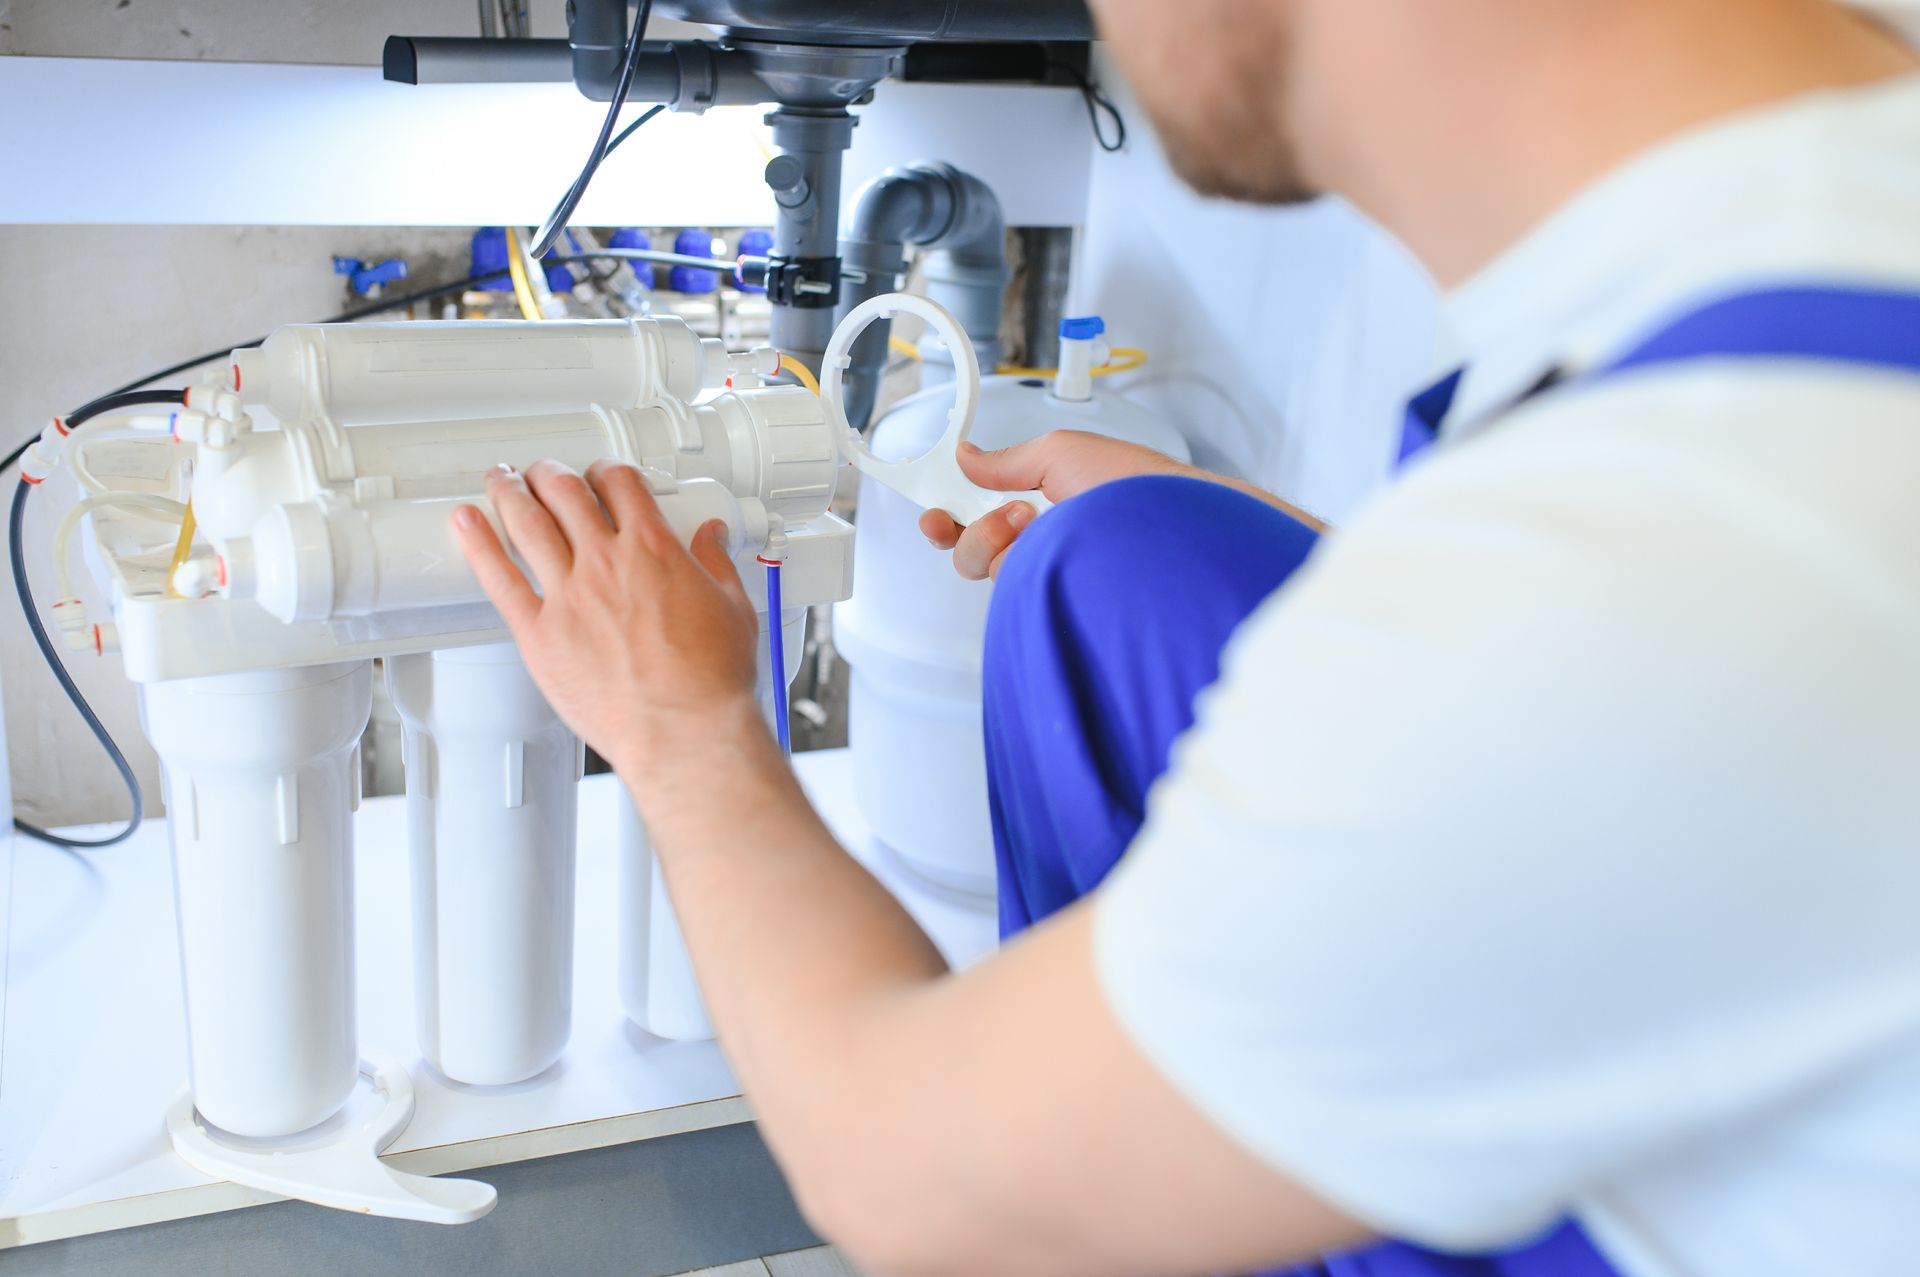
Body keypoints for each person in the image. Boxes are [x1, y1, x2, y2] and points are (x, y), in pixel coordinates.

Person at [450, 0, 1920, 1272]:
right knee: (1120, 560)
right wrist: (1216, 510)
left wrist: (685, 727)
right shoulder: (1800, 247)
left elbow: (899, 1172)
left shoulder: (1649, 580)